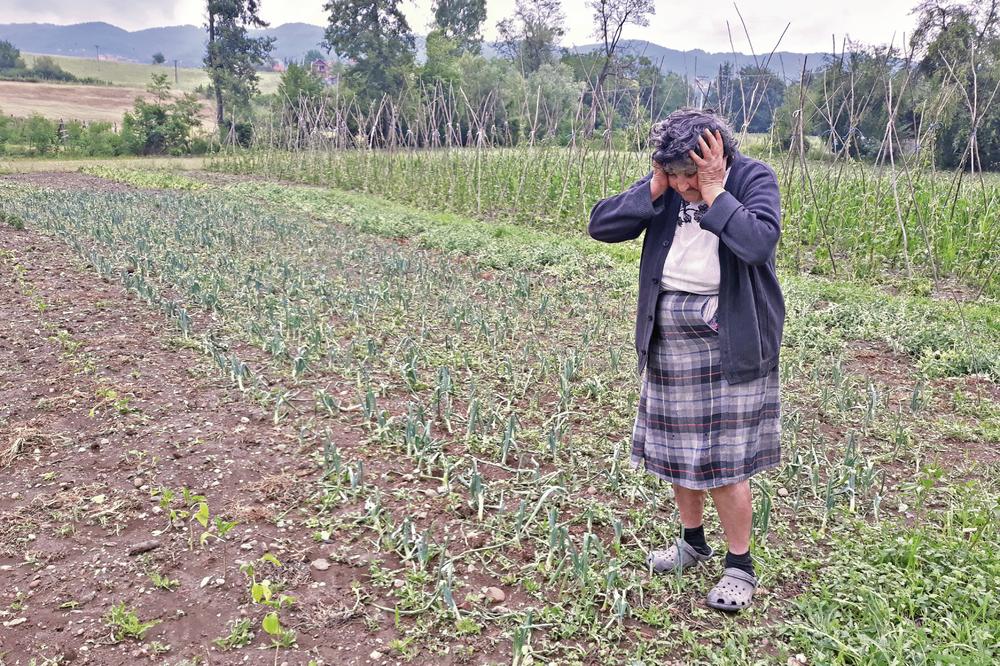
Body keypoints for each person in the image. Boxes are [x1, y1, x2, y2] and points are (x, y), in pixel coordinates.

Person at [588, 107, 785, 612]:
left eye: (688, 174)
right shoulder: (668, 183)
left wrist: (716, 191)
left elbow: (758, 244)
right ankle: (692, 543)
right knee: (679, 452)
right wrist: (653, 188)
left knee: (723, 462)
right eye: (671, 174)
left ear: (715, 154)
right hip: (669, 340)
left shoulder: (751, 178)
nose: (682, 186)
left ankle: (740, 565)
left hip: (731, 341)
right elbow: (601, 225)